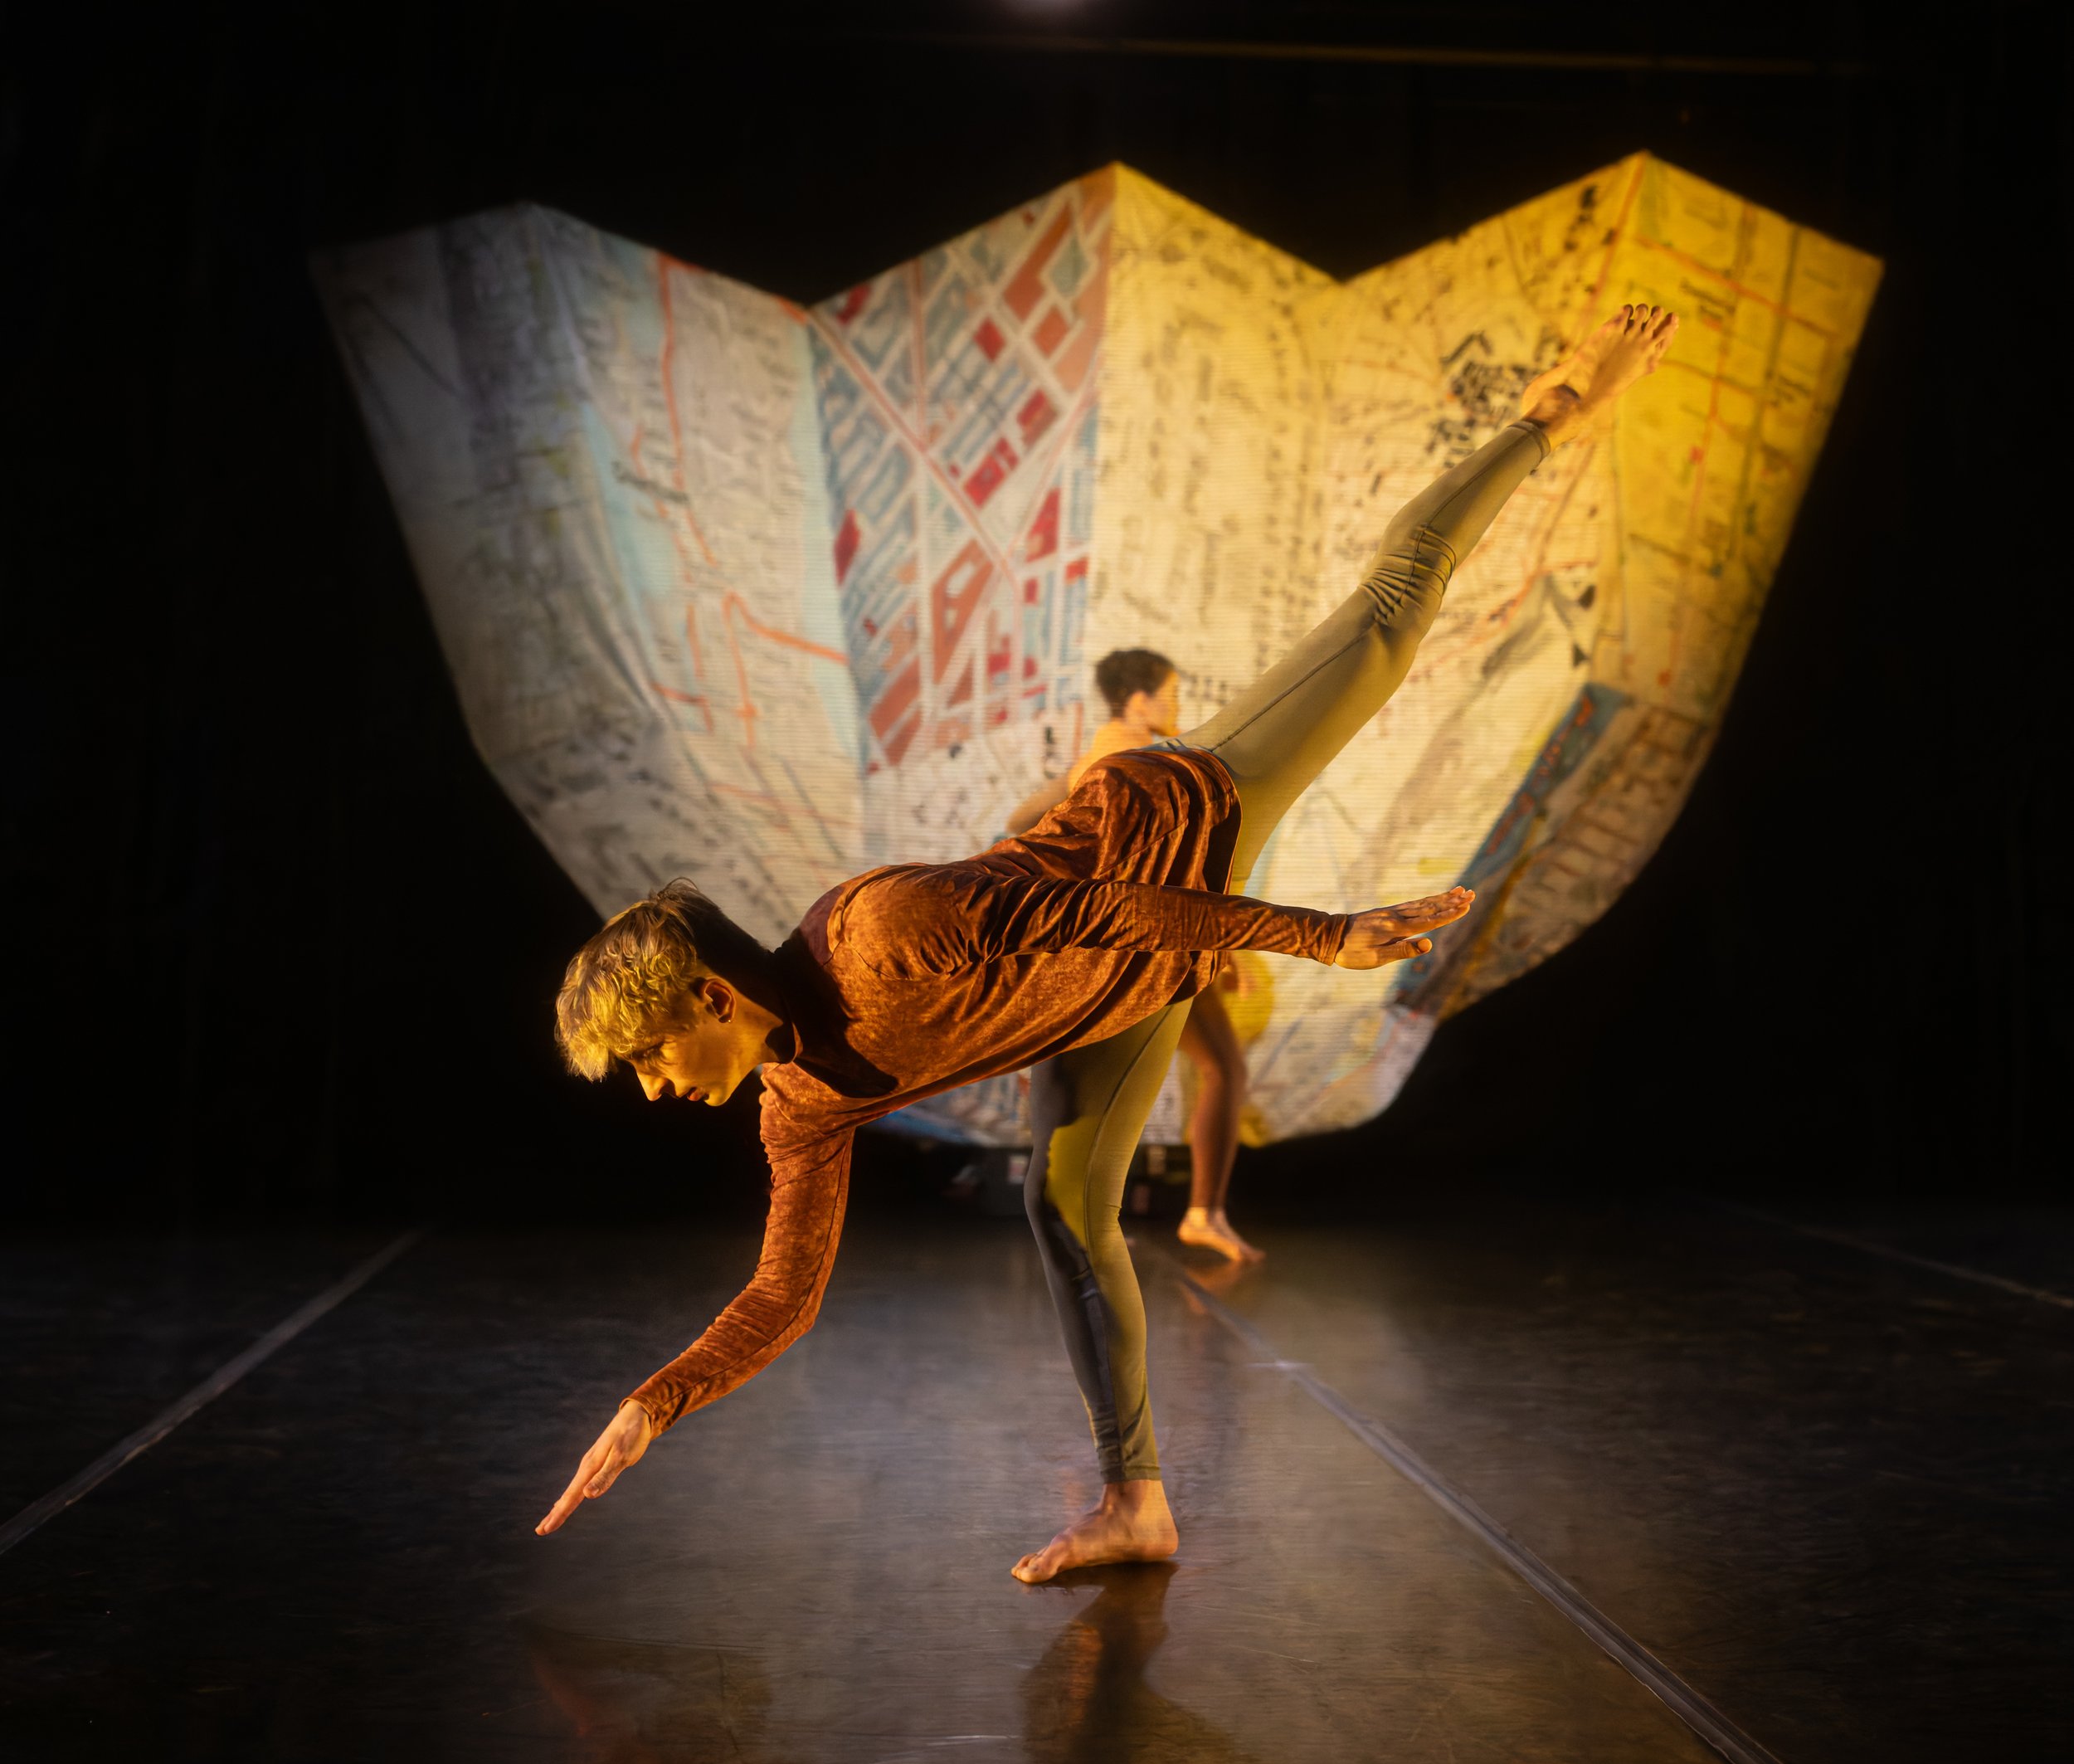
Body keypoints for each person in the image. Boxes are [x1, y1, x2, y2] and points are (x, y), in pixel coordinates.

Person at [536, 305, 1679, 1582]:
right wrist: (659, 1399)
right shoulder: (795, 1105)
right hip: (1116, 987)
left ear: (706, 992)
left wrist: (1325, 935)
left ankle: (1553, 406)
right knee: (1067, 1204)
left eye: (648, 1055)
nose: (656, 1086)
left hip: (1177, 826)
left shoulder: (880, 930)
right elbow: (782, 1298)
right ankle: (1137, 1504)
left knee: (1387, 617)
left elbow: (1118, 908)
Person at [1009, 648, 1265, 1264]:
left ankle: (1079, 1214)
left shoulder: (1095, 756)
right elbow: (1154, 864)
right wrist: (1215, 941)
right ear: (1141, 699)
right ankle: (1198, 1213)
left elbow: (1022, 819)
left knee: (1097, 1082)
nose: (1177, 705)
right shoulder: (1142, 757)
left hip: (1106, 939)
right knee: (1220, 1069)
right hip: (1147, 940)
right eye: (1171, 692)